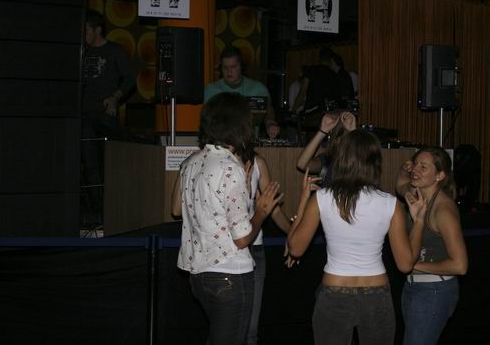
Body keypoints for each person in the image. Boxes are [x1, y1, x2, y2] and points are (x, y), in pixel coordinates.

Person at [287, 130, 427, 345]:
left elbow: (295, 249)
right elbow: (405, 264)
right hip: (377, 294)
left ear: (341, 159)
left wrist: (304, 200)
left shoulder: (322, 198)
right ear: (375, 162)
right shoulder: (390, 203)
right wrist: (419, 222)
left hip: (334, 291)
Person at [170, 92, 283, 345]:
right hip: (230, 276)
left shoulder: (192, 162)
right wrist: (262, 210)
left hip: (199, 276)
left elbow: (175, 209)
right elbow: (242, 238)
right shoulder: (231, 167)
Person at [396, 146, 468, 345]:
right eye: (415, 164)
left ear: (439, 176)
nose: (415, 170)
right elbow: (400, 184)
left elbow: (460, 266)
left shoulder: (443, 210)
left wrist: (412, 264)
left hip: (434, 290)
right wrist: (403, 169)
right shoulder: (415, 194)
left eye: (423, 167)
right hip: (413, 287)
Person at [81, 10, 135, 224]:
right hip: (84, 116)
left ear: (97, 30)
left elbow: (130, 78)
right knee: (90, 165)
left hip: (105, 117)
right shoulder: (83, 51)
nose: (83, 34)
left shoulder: (114, 51)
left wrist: (115, 98)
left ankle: (112, 211)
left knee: (110, 165)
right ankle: (97, 213)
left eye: (86, 30)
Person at [244, 153, 292, 345]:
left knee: (251, 328)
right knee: (229, 326)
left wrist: (294, 236)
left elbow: (274, 210)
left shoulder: (257, 163)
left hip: (254, 249)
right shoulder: (217, 161)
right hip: (227, 250)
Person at [204, 47, 280, 139]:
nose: (229, 71)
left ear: (241, 66)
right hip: (219, 141)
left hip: (250, 141)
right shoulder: (211, 90)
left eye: (233, 67)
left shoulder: (258, 89)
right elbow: (207, 120)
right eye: (225, 67)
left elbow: (268, 111)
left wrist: (270, 123)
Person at [296, 111, 356, 187]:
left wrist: (353, 132)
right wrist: (322, 131)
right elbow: (301, 164)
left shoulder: (359, 161)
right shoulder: (328, 160)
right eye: (340, 138)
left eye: (347, 137)